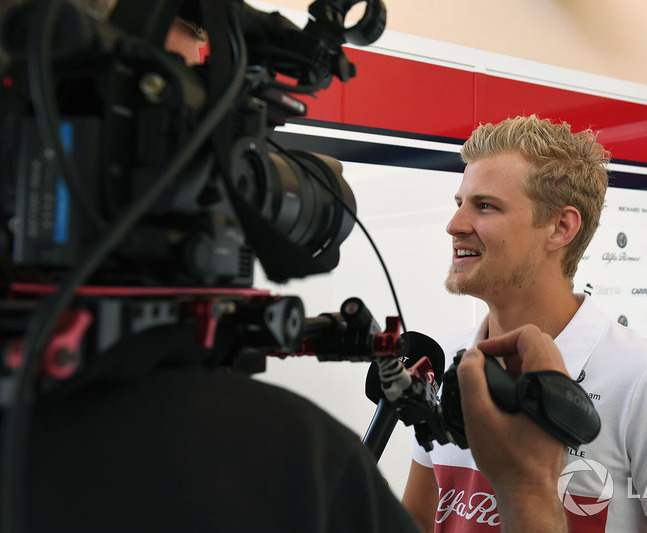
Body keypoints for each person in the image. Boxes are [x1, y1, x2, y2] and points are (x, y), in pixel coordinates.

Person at [1, 3, 577, 532]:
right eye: (175, 115)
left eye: (485, 206)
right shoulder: (289, 466)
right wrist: (528, 490)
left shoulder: (643, 380)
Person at [401, 115, 647, 532]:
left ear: (561, 227)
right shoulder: (448, 364)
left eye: (485, 205)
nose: (454, 225)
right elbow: (416, 521)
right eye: (460, 204)